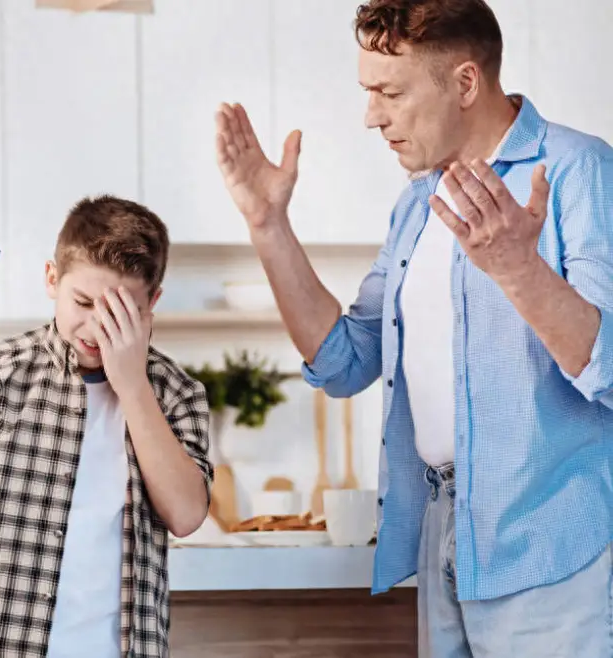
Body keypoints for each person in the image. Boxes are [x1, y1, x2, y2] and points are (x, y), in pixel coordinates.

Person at [214, 0, 612, 656]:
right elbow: (344, 360)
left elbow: (608, 364)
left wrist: (518, 268)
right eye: (368, 92)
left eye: (389, 92)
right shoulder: (418, 202)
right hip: (444, 530)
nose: (371, 116)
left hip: (551, 540)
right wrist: (267, 224)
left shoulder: (577, 170)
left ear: (464, 83)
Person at [0, 195, 212, 658]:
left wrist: (133, 386)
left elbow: (187, 515)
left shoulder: (176, 393)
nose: (97, 328)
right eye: (83, 302)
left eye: (121, 313)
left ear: (152, 302)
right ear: (52, 279)